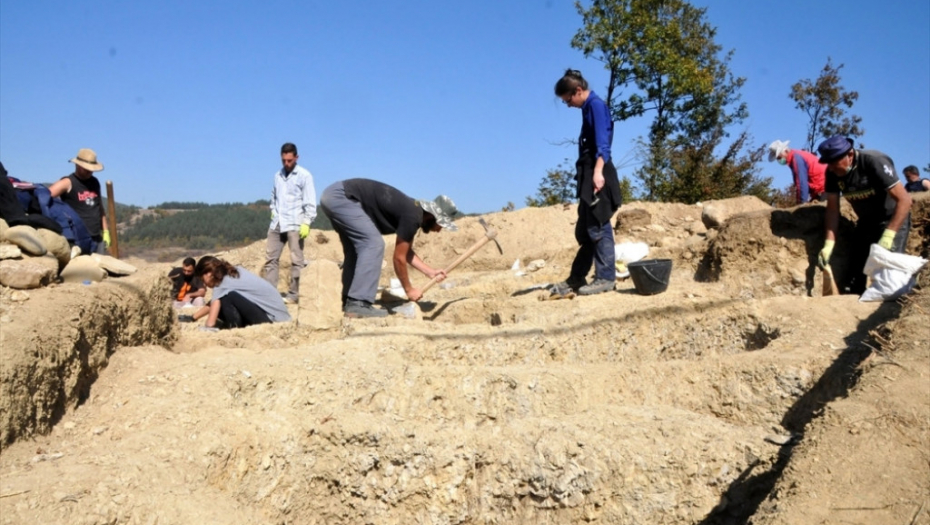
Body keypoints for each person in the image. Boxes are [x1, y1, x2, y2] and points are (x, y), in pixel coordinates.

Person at [318, 178, 457, 318]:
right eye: (441, 225)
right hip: (343, 197)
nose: (439, 230)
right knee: (373, 243)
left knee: (356, 251)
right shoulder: (412, 216)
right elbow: (398, 258)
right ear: (433, 216)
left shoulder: (412, 212)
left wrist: (430, 272)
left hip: (334, 196)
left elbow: (405, 251)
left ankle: (349, 300)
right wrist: (409, 290)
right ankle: (358, 303)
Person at [550, 69, 622, 297]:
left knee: (598, 224)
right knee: (585, 228)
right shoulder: (587, 107)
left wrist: (598, 172)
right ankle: (577, 277)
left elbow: (604, 144)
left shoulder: (596, 106)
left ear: (578, 91)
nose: (568, 104)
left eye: (568, 99)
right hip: (588, 170)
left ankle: (605, 277)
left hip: (597, 170)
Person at [816, 135, 913, 294]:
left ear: (850, 155)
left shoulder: (874, 161)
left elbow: (904, 200)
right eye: (828, 163)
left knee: (889, 272)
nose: (831, 168)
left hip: (892, 218)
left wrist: (889, 234)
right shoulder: (832, 173)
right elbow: (833, 209)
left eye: (834, 162)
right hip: (866, 222)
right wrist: (829, 244)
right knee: (854, 275)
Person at [263, 142, 316, 304]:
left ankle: (294, 294)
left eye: (290, 160)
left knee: (296, 260)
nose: (287, 164)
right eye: (284, 160)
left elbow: (310, 202)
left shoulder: (304, 176)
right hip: (278, 222)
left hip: (295, 222)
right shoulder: (277, 175)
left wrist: (307, 222)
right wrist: (273, 209)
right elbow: (274, 196)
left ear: (296, 158)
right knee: (271, 259)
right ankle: (270, 294)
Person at [181, 256, 291, 329]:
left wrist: (208, 327)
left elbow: (211, 321)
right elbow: (214, 302)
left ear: (209, 273)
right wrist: (192, 318)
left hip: (274, 321)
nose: (204, 283)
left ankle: (234, 327)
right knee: (223, 299)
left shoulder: (223, 283)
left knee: (228, 298)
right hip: (277, 316)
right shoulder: (232, 272)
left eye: (202, 278)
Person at [48, 148, 110, 254]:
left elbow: (100, 208)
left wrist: (105, 230)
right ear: (78, 165)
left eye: (91, 169)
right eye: (86, 169)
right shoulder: (68, 182)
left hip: (96, 237)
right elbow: (45, 196)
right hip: (78, 237)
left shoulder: (95, 182)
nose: (90, 171)